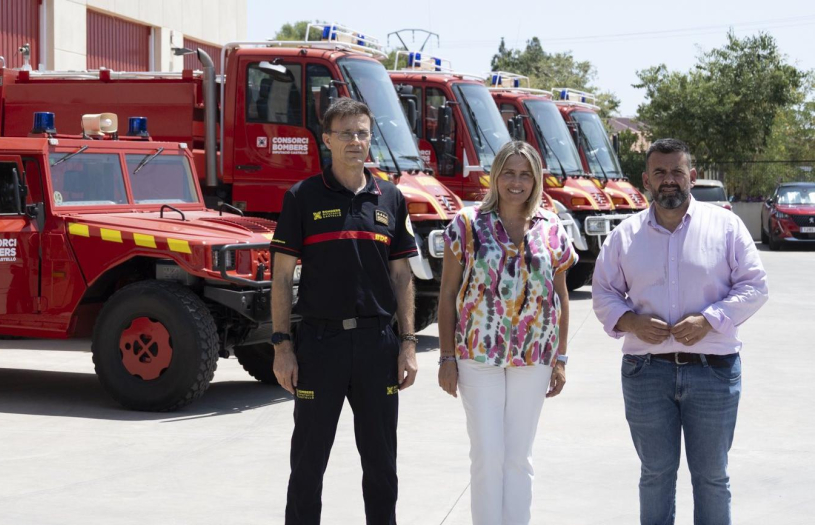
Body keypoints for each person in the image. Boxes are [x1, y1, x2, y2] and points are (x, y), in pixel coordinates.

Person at [591, 138, 767, 525]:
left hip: (713, 371)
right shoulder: (625, 234)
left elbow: (755, 286)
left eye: (677, 171)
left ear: (693, 176)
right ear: (646, 181)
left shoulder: (725, 226)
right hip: (645, 373)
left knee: (712, 477)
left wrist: (710, 319)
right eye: (660, 173)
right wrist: (631, 321)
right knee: (655, 475)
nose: (669, 180)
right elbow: (603, 292)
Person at [269, 98, 420, 525]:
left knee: (381, 466)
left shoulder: (390, 197)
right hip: (320, 345)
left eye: (363, 133)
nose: (356, 141)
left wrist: (407, 345)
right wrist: (282, 346)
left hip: (377, 346)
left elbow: (402, 278)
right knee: (307, 465)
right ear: (327, 140)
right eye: (347, 133)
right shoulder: (301, 198)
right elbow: (281, 278)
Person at [436, 140, 576, 525]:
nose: (517, 183)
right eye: (509, 173)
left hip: (534, 359)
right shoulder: (466, 225)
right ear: (495, 176)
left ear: (536, 179)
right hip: (477, 357)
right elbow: (448, 295)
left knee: (518, 457)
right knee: (487, 454)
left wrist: (560, 359)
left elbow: (562, 297)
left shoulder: (551, 228)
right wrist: (447, 358)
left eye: (525, 175)